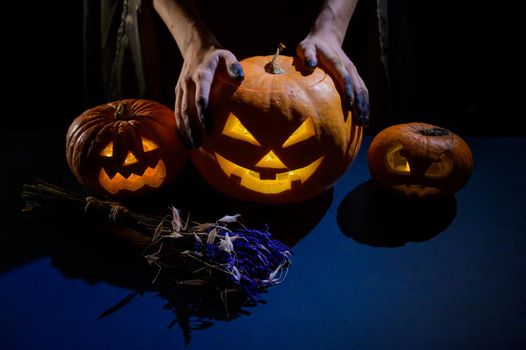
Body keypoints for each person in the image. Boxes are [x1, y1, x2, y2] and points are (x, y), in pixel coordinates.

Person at [83, 0, 370, 148]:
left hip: (306, 17)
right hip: (193, 17)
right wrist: (195, 42)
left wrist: (330, 29)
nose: (270, 156)